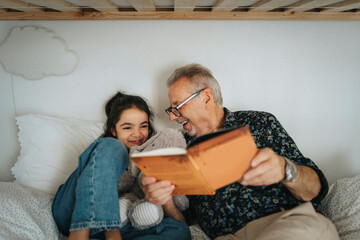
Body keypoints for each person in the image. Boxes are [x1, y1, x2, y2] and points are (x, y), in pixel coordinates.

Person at [141, 63, 339, 239]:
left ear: (206, 98)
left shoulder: (259, 123)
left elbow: (316, 190)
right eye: (171, 109)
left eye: (178, 107)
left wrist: (284, 168)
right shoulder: (181, 148)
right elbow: (184, 224)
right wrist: (166, 201)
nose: (172, 118)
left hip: (284, 222)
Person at [51, 92, 191, 240]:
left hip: (117, 226)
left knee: (180, 230)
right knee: (113, 146)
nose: (137, 134)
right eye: (127, 127)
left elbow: (178, 220)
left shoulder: (151, 156)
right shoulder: (106, 149)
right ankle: (87, 231)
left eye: (143, 126)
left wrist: (165, 198)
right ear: (113, 130)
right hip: (72, 215)